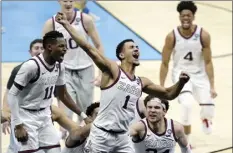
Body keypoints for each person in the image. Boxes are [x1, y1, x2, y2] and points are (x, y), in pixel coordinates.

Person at [55, 12, 190, 152]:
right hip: (101, 134)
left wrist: (181, 82)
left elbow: (169, 94)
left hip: (123, 137)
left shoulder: (142, 82)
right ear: (121, 55)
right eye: (131, 47)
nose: (136, 49)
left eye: (137, 47)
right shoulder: (113, 70)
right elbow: (88, 48)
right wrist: (67, 25)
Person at [7, 31, 90, 153]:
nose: (65, 49)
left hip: (45, 116)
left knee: (55, 150)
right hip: (26, 117)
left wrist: (83, 115)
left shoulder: (60, 66)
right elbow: (12, 94)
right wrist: (18, 124)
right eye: (62, 46)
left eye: (65, 46)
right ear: (50, 47)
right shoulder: (31, 66)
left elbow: (63, 95)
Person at [159, 1, 217, 146]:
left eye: (188, 15)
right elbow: (165, 62)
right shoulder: (172, 36)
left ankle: (206, 118)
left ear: (193, 17)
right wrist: (161, 86)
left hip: (199, 74)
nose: (186, 18)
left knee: (209, 105)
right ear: (179, 17)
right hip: (181, 75)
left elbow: (208, 62)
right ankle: (186, 142)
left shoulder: (203, 35)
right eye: (183, 15)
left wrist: (212, 85)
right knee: (186, 104)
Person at [42, 0, 104, 127]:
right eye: (65, 0)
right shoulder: (51, 23)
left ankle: (84, 142)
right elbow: (45, 51)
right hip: (64, 70)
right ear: (59, 2)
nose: (68, 3)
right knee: (66, 112)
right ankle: (68, 141)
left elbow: (98, 45)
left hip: (86, 69)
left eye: (71, 0)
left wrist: (100, 72)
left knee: (86, 110)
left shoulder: (85, 20)